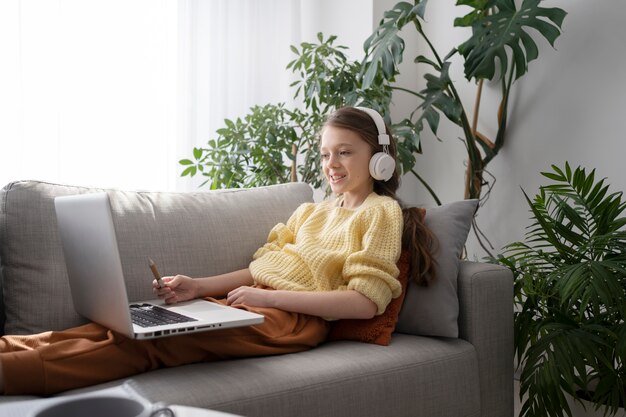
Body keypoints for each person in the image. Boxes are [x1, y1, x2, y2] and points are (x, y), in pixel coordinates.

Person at [0, 106, 435, 395]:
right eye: (325, 154)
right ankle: (14, 347)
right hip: (256, 306)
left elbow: (363, 303)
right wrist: (198, 287)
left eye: (345, 152)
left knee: (152, 347)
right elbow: (258, 269)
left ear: (379, 158)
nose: (331, 164)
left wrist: (267, 297)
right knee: (129, 326)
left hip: (293, 321)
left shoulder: (380, 214)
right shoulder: (310, 212)